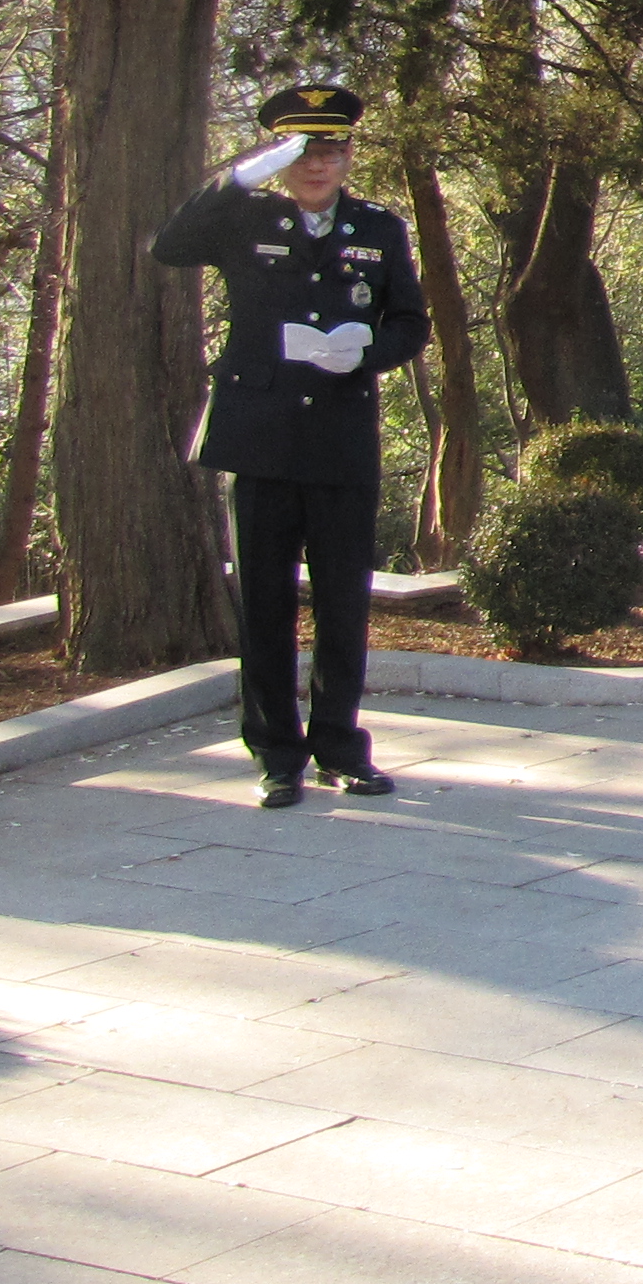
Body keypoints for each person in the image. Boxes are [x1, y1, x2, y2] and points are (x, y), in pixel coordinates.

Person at [151, 84, 430, 809]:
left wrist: (366, 351)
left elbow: (410, 321)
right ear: (281, 159)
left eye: (330, 150)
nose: (317, 165)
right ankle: (277, 755)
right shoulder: (245, 219)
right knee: (265, 606)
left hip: (340, 437)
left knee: (343, 604)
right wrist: (239, 177)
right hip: (261, 439)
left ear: (348, 156)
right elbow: (168, 246)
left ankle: (340, 747)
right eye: (302, 152)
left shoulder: (378, 228)